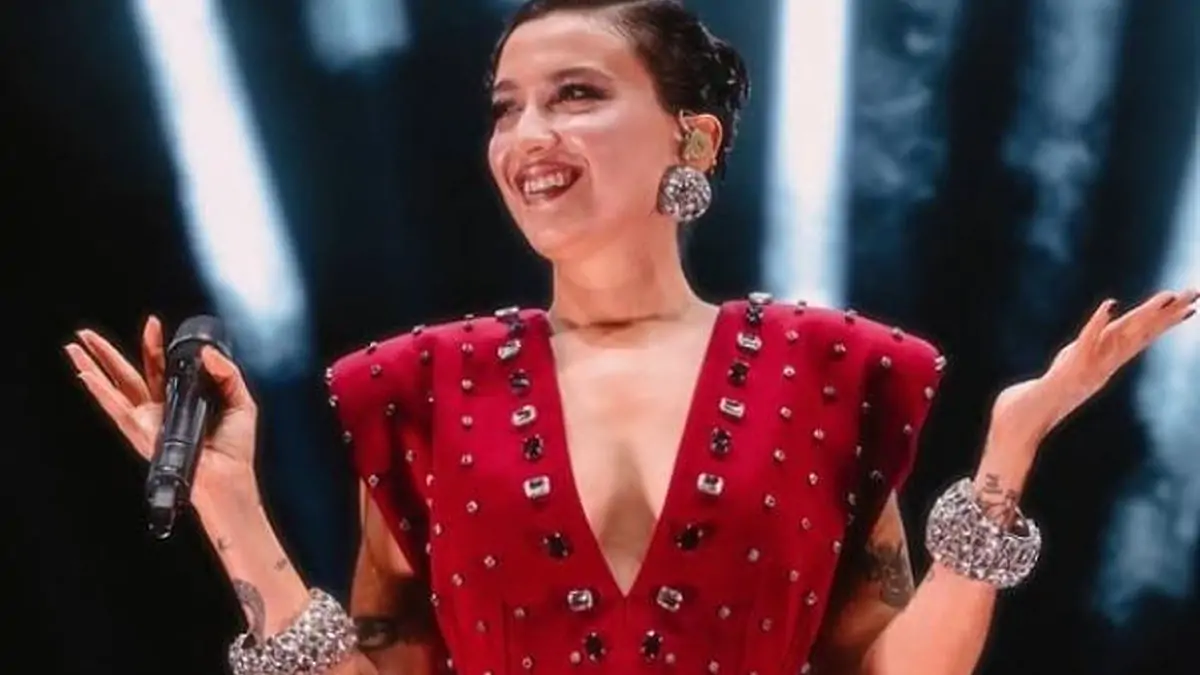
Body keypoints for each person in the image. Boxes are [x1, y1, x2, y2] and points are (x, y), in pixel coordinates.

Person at [64, 1, 1198, 673]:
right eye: (506, 106)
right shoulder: (422, 386)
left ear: (690, 142)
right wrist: (232, 506)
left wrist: (1007, 453)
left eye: (575, 94)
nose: (528, 133)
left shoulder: (827, 372)